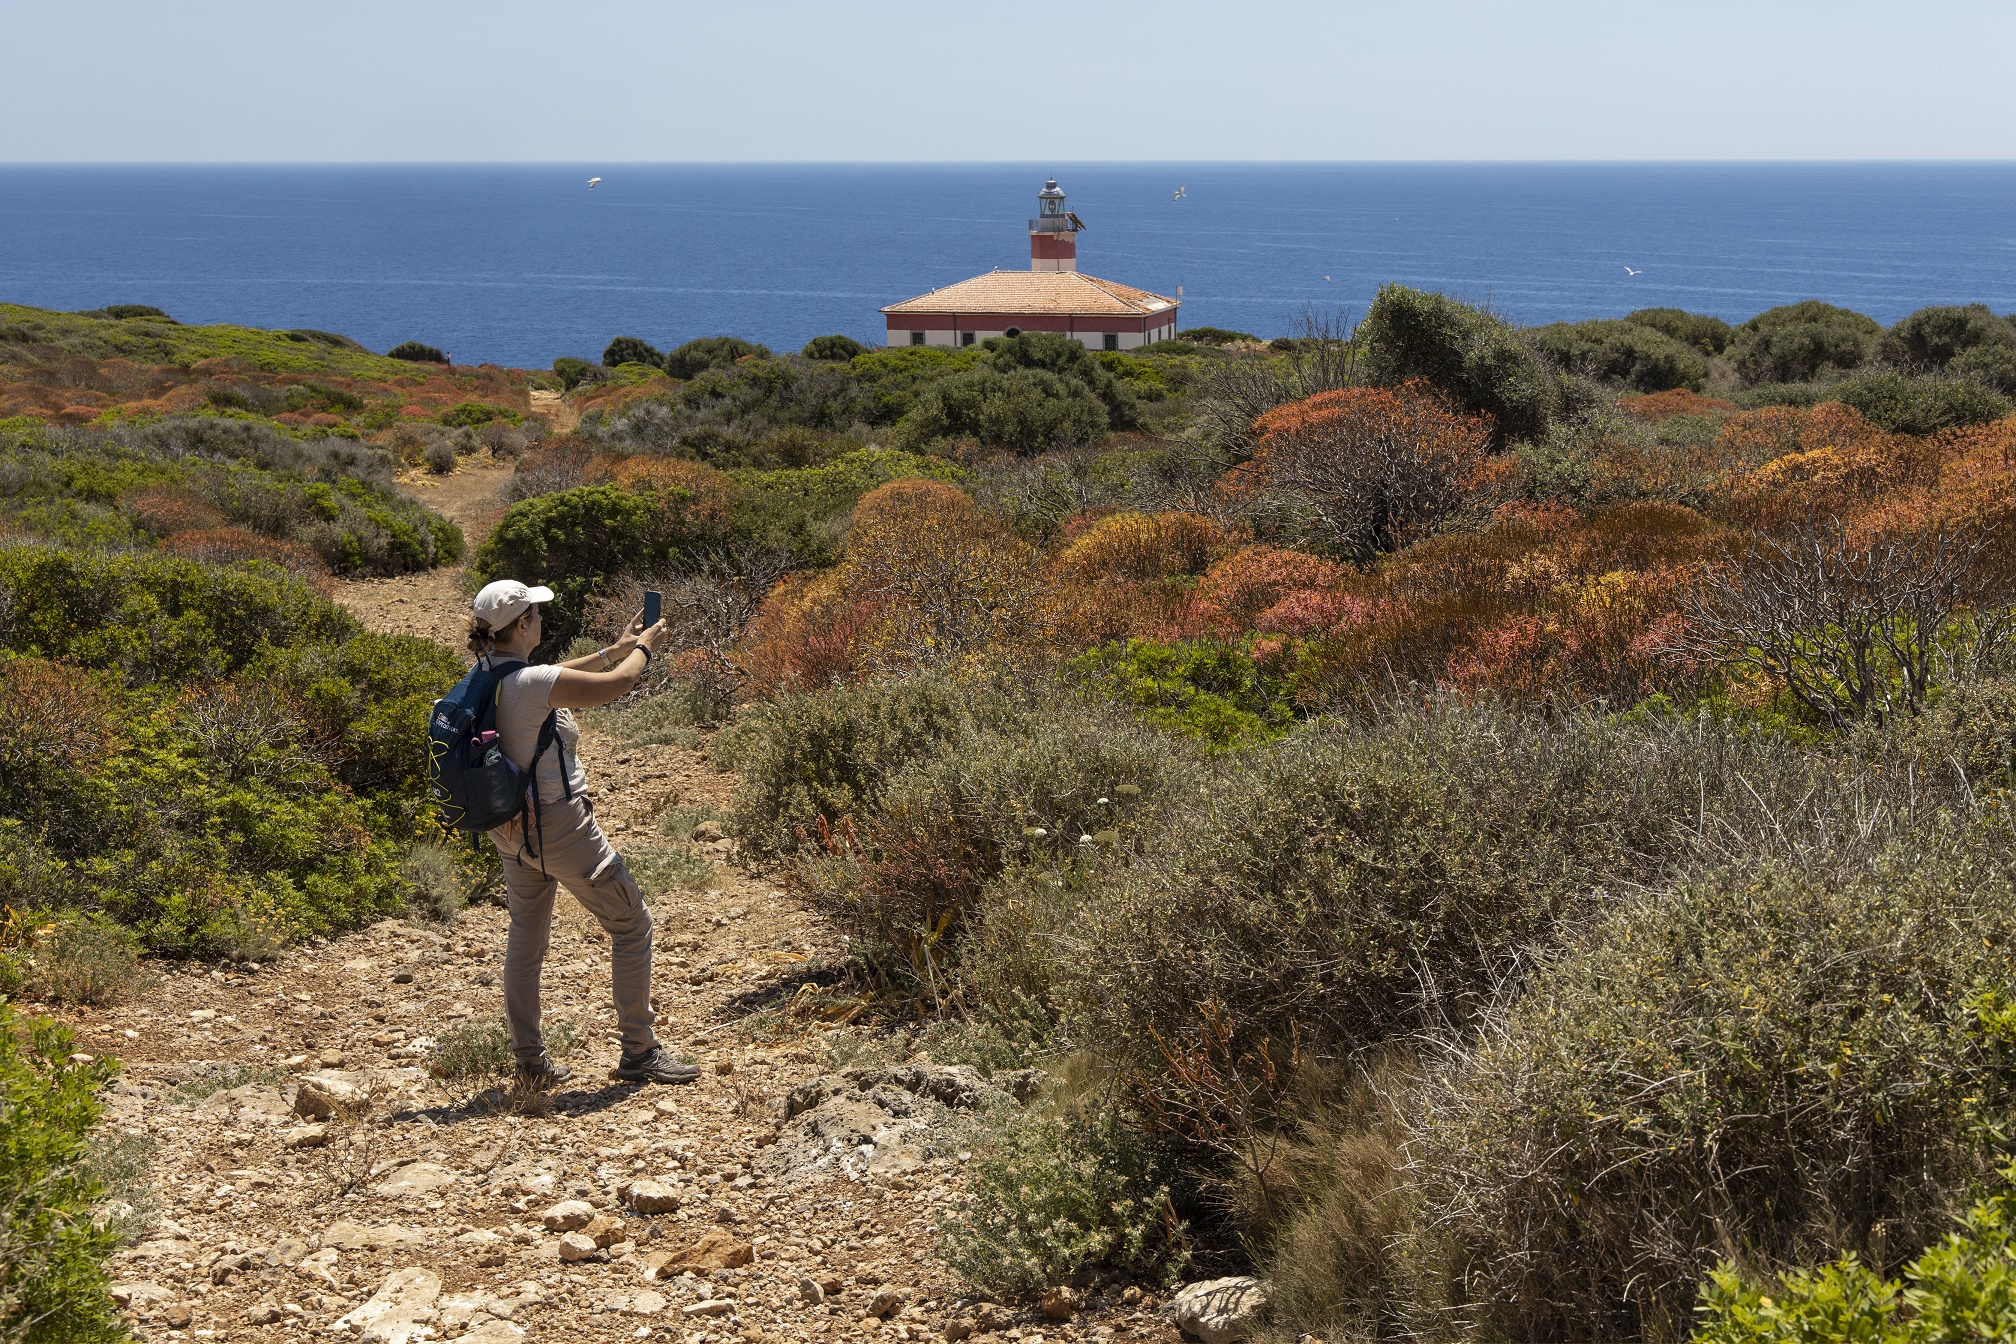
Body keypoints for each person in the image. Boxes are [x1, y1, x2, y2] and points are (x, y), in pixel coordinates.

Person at [465, 578, 698, 1088]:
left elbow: (557, 676)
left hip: (511, 830)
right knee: (631, 924)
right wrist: (641, 649)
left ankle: (530, 1061)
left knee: (526, 942)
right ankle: (640, 1050)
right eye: (536, 613)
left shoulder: (487, 674)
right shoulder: (534, 683)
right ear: (522, 624)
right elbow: (618, 684)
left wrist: (609, 650)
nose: (542, 620)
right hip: (560, 827)